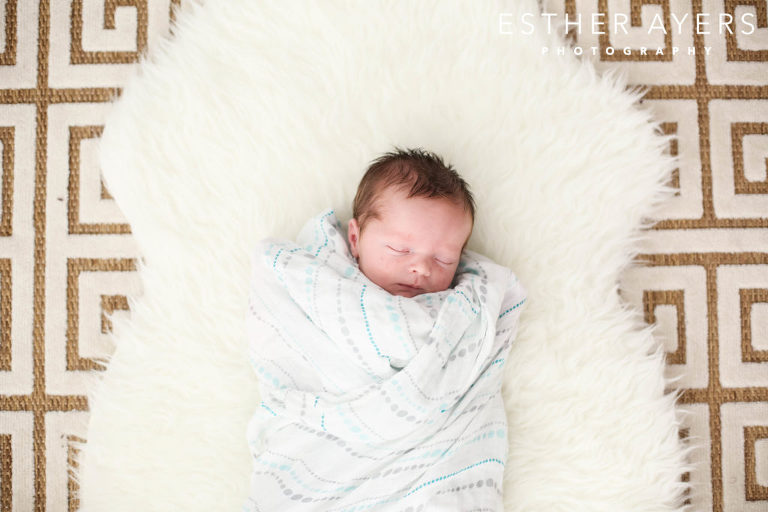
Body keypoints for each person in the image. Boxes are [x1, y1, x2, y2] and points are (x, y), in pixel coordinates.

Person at [347, 147, 476, 298]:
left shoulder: (465, 299)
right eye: (399, 249)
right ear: (355, 239)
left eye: (444, 260)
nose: (422, 269)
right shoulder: (327, 281)